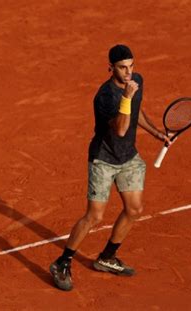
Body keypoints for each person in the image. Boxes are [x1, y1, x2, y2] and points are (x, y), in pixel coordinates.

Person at [50, 44, 173, 291]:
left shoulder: (136, 81)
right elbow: (120, 128)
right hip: (103, 160)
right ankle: (62, 262)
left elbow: (136, 113)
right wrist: (126, 97)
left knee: (135, 209)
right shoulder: (105, 96)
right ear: (111, 68)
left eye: (131, 66)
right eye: (122, 67)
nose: (128, 72)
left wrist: (158, 134)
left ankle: (106, 257)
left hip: (128, 158)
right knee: (94, 216)